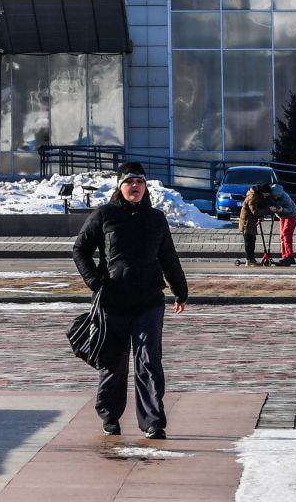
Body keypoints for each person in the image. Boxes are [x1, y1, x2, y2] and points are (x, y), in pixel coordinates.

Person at [72, 164, 189, 440]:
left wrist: (180, 290)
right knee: (113, 363)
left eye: (140, 182)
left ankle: (152, 421)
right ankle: (110, 417)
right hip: (112, 303)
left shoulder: (156, 219)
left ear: (145, 187)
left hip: (149, 302)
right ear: (119, 187)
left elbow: (168, 257)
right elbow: (80, 249)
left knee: (149, 362)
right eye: (129, 182)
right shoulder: (105, 215)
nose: (135, 186)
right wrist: (94, 281)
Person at [238, 181, 275, 265]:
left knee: (252, 240)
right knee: (249, 242)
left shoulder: (257, 196)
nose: (267, 195)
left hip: (251, 221)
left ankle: (251, 259)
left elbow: (257, 210)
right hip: (247, 222)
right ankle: (249, 260)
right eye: (267, 194)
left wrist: (260, 217)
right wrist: (269, 210)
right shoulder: (253, 197)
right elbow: (255, 211)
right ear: (263, 192)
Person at [270, 184, 296, 266]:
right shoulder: (271, 195)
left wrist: (280, 209)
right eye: (274, 196)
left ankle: (289, 256)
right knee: (282, 236)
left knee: (286, 235)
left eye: (277, 197)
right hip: (282, 217)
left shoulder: (285, 197)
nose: (275, 198)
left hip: (291, 216)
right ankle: (284, 256)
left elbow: (290, 210)